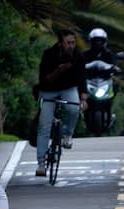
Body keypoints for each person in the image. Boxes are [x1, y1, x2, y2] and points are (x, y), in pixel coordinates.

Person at [35, 29, 88, 177]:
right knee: (44, 125)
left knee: (73, 109)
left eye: (73, 42)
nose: (71, 46)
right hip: (48, 90)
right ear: (60, 44)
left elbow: (82, 78)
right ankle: (41, 163)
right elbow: (44, 80)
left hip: (68, 88)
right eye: (68, 43)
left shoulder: (78, 56)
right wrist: (59, 70)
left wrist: (83, 99)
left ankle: (67, 134)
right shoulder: (49, 55)